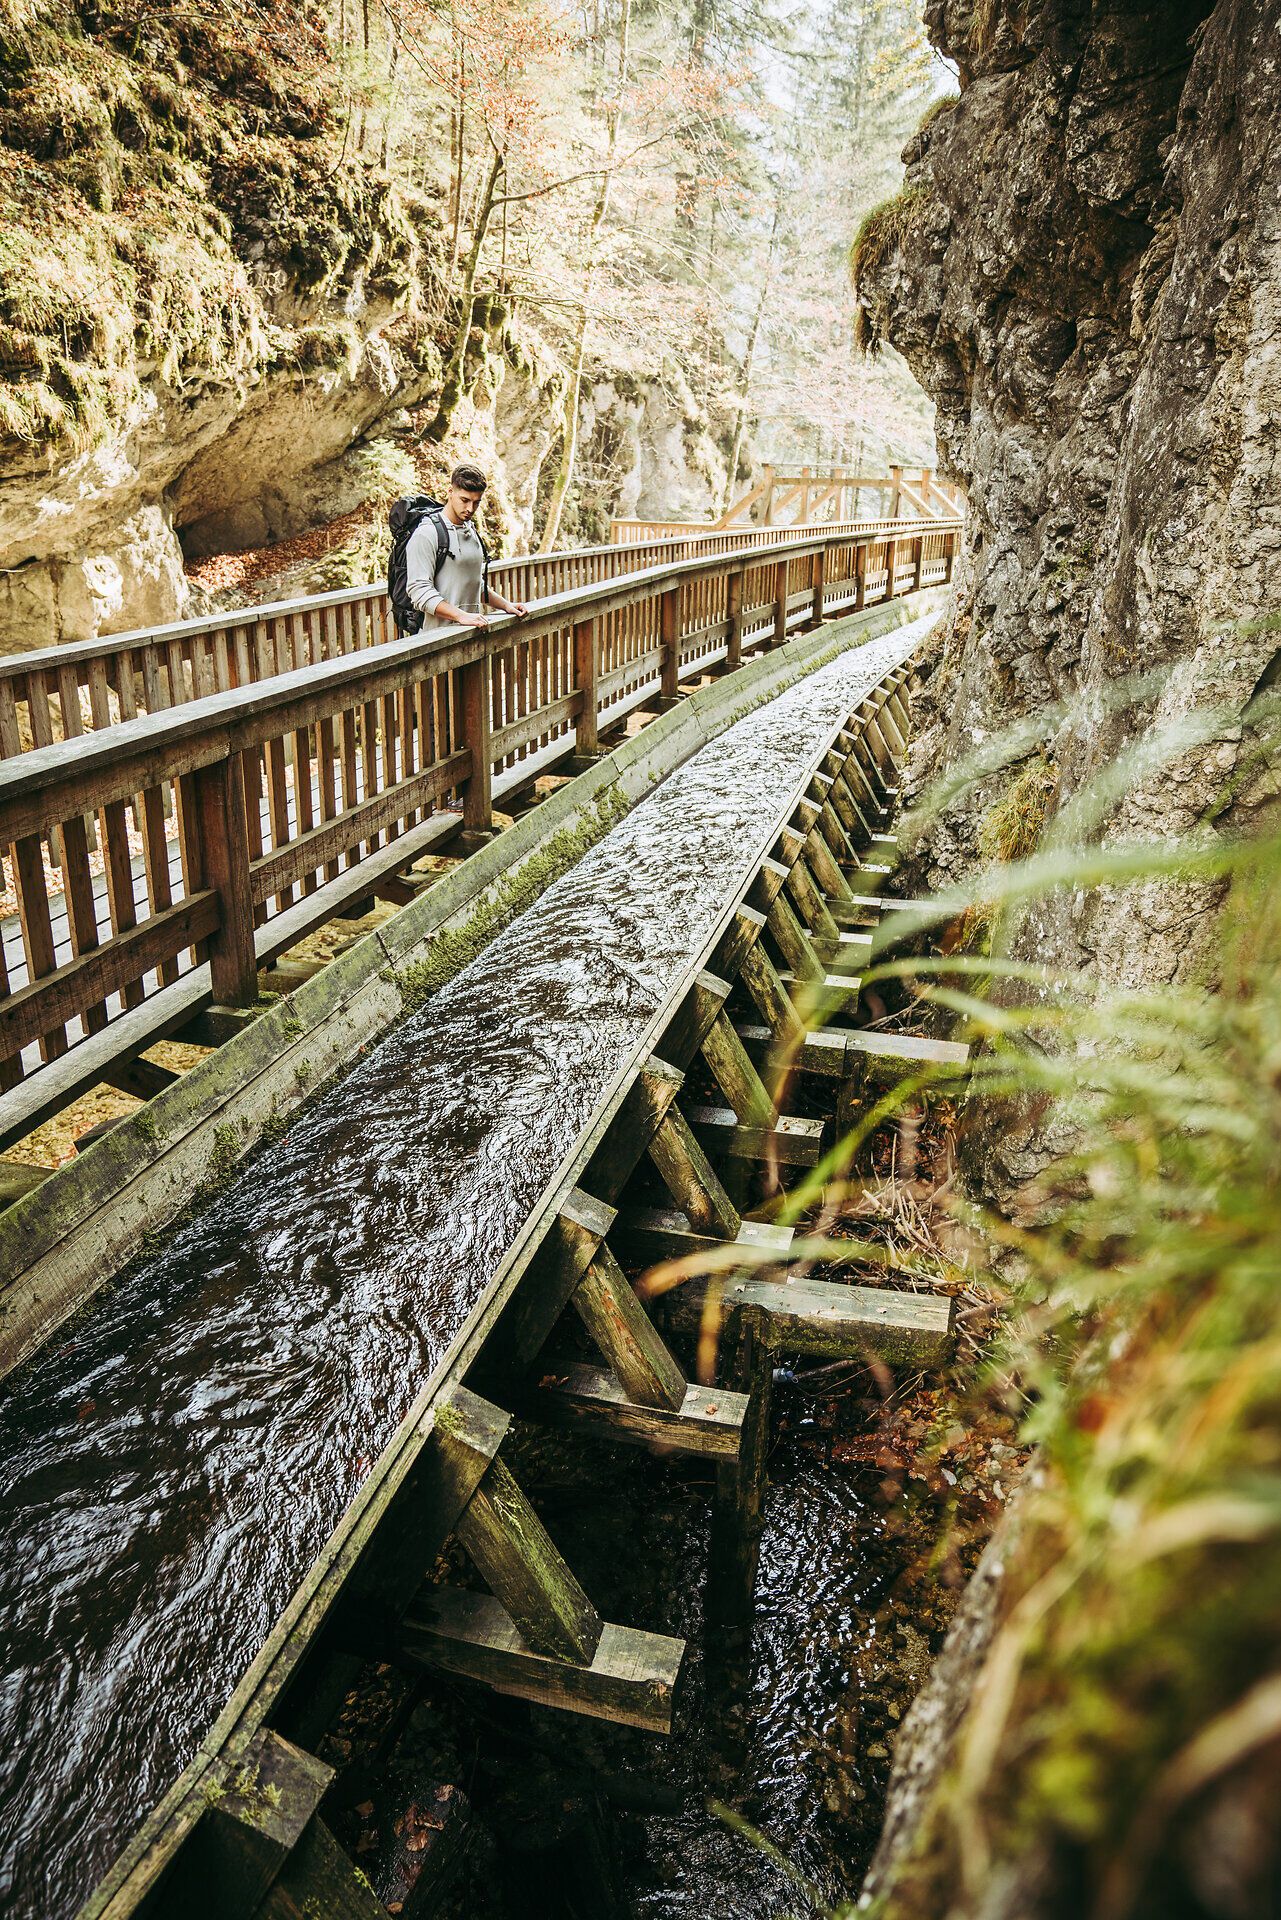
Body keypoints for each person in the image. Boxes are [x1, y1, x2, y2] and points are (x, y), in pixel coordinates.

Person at [403, 463, 527, 631]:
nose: (470, 509)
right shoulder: (426, 534)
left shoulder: (470, 529)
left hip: (472, 637)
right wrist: (460, 615)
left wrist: (506, 605)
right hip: (436, 641)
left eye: (476, 503)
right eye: (465, 500)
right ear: (450, 492)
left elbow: (473, 583)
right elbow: (419, 592)